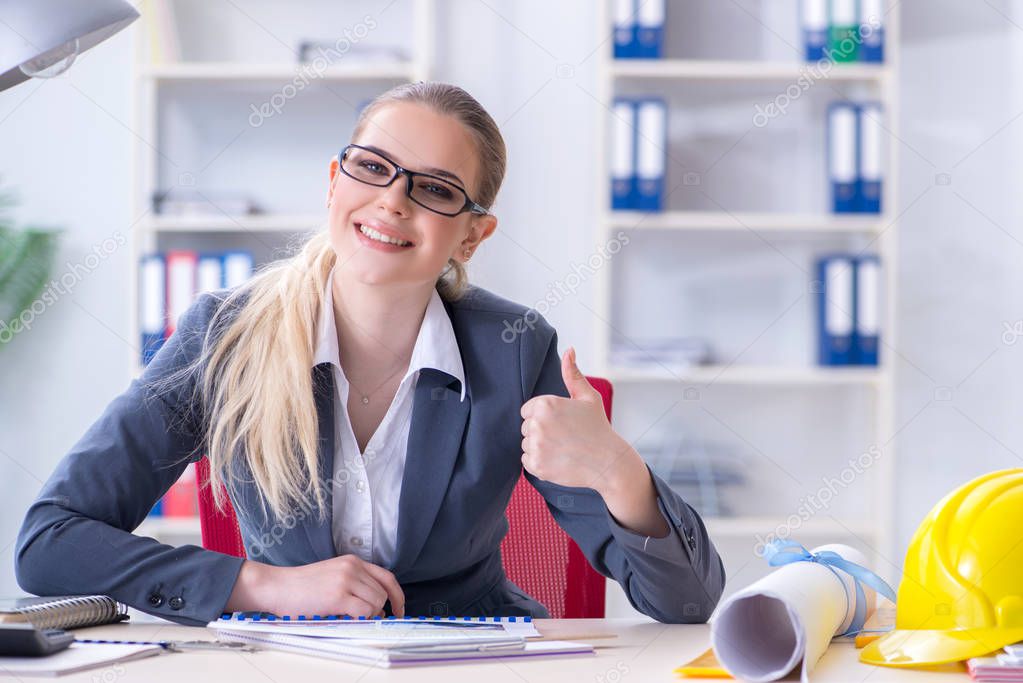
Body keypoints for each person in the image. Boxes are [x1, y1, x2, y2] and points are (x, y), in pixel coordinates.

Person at [15, 81, 725, 627]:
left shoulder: (513, 349)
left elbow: (686, 604)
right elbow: (49, 539)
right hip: (290, 662)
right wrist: (259, 583)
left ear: (472, 234)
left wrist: (617, 470)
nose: (392, 201)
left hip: (475, 665)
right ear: (334, 182)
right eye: (373, 168)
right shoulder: (225, 336)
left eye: (436, 189)